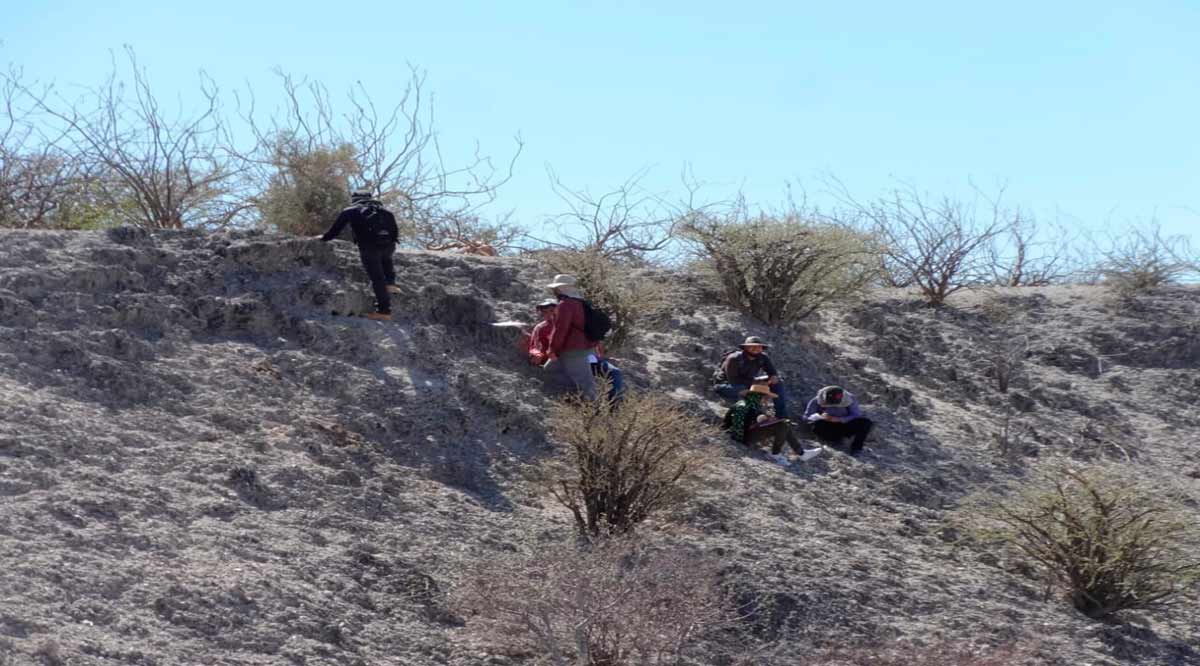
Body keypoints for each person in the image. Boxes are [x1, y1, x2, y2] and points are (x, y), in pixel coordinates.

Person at [317, 190, 400, 321]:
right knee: (386, 260)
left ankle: (384, 311)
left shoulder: (350, 210)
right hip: (389, 246)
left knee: (377, 278)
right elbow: (395, 232)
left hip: (369, 247)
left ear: (354, 199)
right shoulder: (386, 211)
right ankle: (391, 283)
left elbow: (334, 231)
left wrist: (322, 239)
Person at [722, 383, 823, 466]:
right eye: (766, 398)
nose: (767, 400)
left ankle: (801, 453)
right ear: (759, 396)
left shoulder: (751, 405)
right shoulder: (743, 407)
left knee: (783, 425)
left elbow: (751, 421)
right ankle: (776, 454)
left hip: (744, 435)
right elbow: (738, 428)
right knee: (782, 425)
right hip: (740, 437)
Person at [543, 274, 599, 401]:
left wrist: (552, 349)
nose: (555, 291)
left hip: (573, 350)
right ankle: (575, 398)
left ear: (562, 289)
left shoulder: (565, 305)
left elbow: (560, 330)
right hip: (586, 348)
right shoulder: (583, 303)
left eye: (556, 289)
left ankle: (593, 411)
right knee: (550, 370)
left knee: (586, 384)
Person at [713, 336, 790, 418]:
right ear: (745, 348)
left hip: (749, 383)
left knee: (778, 383)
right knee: (747, 390)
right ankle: (755, 416)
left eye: (759, 347)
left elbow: (772, 372)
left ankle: (781, 415)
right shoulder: (734, 358)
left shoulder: (763, 357)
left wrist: (773, 378)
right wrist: (756, 384)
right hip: (727, 385)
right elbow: (733, 380)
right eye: (752, 347)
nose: (756, 349)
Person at [803, 385, 874, 456]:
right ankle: (834, 440)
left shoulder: (850, 398)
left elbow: (856, 415)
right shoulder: (816, 401)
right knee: (817, 425)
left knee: (866, 423)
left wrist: (839, 419)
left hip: (845, 425)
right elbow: (806, 417)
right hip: (827, 426)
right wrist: (820, 417)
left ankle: (856, 448)